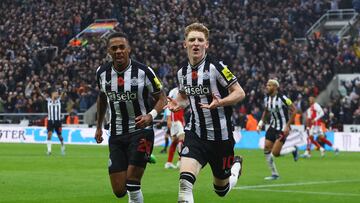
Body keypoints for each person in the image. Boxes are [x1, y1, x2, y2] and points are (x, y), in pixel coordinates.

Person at [165, 23, 245, 202]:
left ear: (206, 44)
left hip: (221, 137)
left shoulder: (217, 67)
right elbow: (185, 96)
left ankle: (235, 167)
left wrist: (220, 103)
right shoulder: (182, 73)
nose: (196, 43)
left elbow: (240, 92)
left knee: (221, 190)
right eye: (191, 40)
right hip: (196, 134)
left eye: (200, 40)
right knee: (185, 184)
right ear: (185, 44)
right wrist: (179, 104)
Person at [94, 32, 166, 202]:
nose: (118, 51)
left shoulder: (144, 71)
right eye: (114, 48)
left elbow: (162, 98)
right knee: (119, 190)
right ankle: (142, 157)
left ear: (129, 49)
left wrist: (151, 115)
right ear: (108, 51)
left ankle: (141, 156)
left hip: (141, 131)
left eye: (121, 47)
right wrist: (98, 126)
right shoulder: (101, 73)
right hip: (116, 134)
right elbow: (102, 98)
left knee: (133, 183)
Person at [257, 79, 298, 180]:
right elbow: (266, 111)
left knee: (275, 153)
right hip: (272, 126)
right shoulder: (267, 99)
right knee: (266, 148)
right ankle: (274, 174)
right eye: (267, 85)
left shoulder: (283, 98)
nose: (267, 87)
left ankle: (293, 149)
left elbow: (294, 110)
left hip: (282, 128)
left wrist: (287, 126)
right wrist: (260, 123)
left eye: (269, 85)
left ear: (275, 87)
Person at [37, 81, 67, 155]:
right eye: (55, 93)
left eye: (57, 93)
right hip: (50, 120)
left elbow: (63, 92)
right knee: (49, 134)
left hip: (58, 121)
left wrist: (65, 86)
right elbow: (40, 94)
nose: (57, 94)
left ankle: (63, 146)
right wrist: (37, 87)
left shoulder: (59, 100)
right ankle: (49, 151)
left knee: (59, 136)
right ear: (52, 94)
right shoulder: (48, 100)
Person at [164, 86, 185, 169]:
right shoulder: (174, 91)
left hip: (180, 118)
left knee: (175, 142)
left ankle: (169, 163)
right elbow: (168, 104)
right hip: (175, 119)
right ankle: (180, 161)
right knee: (182, 138)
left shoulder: (185, 90)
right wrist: (168, 118)